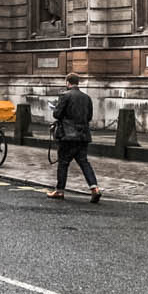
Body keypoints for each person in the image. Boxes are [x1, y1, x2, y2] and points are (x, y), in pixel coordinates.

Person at [49, 72, 99, 203]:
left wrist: (55, 109)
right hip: (83, 135)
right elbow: (89, 117)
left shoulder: (65, 96)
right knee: (84, 162)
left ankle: (59, 191)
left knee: (63, 163)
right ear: (78, 82)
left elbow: (57, 114)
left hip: (67, 136)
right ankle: (95, 189)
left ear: (67, 83)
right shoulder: (86, 97)